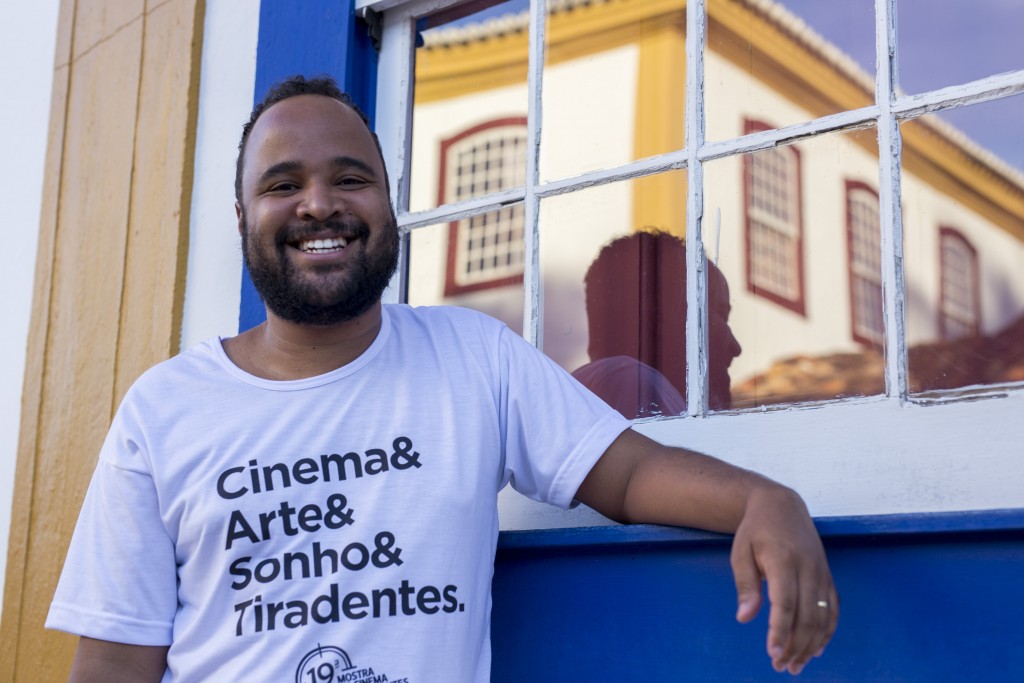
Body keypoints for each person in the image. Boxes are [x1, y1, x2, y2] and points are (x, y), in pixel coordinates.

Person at [46, 75, 837, 681]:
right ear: (243, 217)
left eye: (349, 179)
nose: (319, 203)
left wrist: (763, 498)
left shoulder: (472, 358)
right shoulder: (163, 408)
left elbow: (628, 472)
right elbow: (116, 661)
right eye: (282, 184)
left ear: (389, 209)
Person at [573, 230, 742, 418]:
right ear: (658, 318)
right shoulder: (626, 379)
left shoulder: (587, 394)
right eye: (719, 314)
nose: (736, 348)